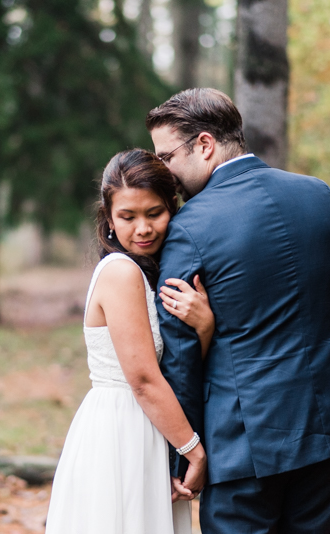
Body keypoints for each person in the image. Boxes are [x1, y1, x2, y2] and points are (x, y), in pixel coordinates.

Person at [148, 88, 330, 534]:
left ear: (204, 145)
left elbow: (179, 355)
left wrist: (185, 450)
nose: (164, 171)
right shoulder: (320, 196)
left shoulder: (189, 227)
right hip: (329, 421)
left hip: (245, 438)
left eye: (166, 157)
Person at [45, 149, 215, 534]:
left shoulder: (151, 273)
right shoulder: (120, 273)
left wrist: (204, 327)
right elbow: (142, 378)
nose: (143, 229)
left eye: (154, 213)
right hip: (122, 429)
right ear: (108, 219)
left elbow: (174, 368)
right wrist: (193, 451)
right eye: (128, 217)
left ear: (172, 208)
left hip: (153, 424)